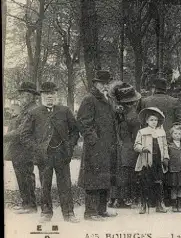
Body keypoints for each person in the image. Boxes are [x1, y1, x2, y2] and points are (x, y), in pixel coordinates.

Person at [20, 81, 80, 223]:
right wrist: (37, 149)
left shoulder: (64, 111)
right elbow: (25, 135)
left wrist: (70, 146)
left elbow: (75, 131)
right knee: (45, 184)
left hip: (62, 154)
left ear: (56, 95)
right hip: (44, 155)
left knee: (65, 184)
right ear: (41, 96)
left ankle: (69, 213)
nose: (49, 97)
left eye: (52, 93)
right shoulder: (34, 113)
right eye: (46, 94)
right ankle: (46, 212)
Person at [77, 70, 119, 221]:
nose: (105, 86)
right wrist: (94, 141)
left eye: (107, 83)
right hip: (95, 148)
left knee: (104, 178)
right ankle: (90, 212)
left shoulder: (107, 99)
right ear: (95, 84)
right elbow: (83, 123)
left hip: (107, 146)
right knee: (93, 179)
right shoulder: (89, 99)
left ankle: (102, 210)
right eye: (102, 83)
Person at [3, 81, 39, 214]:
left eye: (26, 94)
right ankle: (26, 203)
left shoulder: (32, 110)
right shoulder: (25, 109)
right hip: (19, 149)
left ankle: (30, 205)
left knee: (26, 176)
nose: (22, 97)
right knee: (21, 176)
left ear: (32, 96)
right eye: (22, 94)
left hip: (25, 149)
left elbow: (20, 131)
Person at [108, 82, 142, 208]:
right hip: (129, 148)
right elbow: (137, 135)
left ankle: (114, 199)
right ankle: (124, 199)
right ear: (133, 101)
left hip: (118, 146)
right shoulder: (133, 116)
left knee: (117, 172)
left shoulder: (116, 112)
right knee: (128, 174)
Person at [134, 107, 170, 214]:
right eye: (151, 120)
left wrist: (166, 157)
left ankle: (159, 204)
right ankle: (143, 205)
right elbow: (136, 145)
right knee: (145, 183)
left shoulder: (161, 133)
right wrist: (142, 149)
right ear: (146, 121)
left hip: (158, 160)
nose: (154, 122)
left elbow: (165, 147)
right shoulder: (142, 132)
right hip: (146, 160)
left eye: (155, 120)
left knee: (158, 183)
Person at [166, 126, 181, 212]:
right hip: (173, 170)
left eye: (179, 134)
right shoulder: (169, 146)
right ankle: (174, 205)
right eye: (175, 133)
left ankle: (180, 205)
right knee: (173, 188)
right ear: (171, 134)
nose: (177, 135)